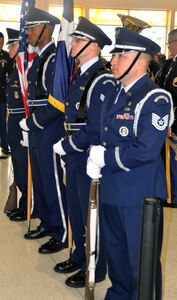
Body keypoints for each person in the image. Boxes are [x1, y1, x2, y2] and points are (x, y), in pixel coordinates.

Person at [86, 27, 174, 299]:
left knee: (140, 260)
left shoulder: (155, 98)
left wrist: (106, 158)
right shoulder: (117, 92)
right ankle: (120, 294)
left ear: (141, 60)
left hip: (139, 193)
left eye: (121, 56)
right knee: (117, 253)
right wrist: (96, 153)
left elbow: (146, 151)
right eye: (115, 55)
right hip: (113, 187)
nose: (113, 61)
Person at [53, 17, 117, 288]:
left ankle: (94, 267)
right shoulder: (81, 73)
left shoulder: (101, 78)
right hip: (75, 152)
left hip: (88, 153)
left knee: (91, 214)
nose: (72, 43)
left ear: (93, 46)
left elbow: (95, 127)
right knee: (77, 210)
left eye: (77, 40)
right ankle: (80, 254)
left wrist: (68, 146)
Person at [19, 8, 68, 254]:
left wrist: (33, 123)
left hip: (49, 127)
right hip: (38, 126)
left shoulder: (54, 57)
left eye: (33, 28)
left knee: (52, 181)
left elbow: (56, 103)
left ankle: (61, 231)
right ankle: (48, 222)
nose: (27, 33)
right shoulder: (40, 56)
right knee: (40, 178)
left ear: (47, 30)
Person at [4, 28, 37, 220]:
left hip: (21, 120)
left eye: (13, 44)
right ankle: (25, 202)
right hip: (13, 120)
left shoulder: (26, 70)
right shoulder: (15, 67)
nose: (9, 48)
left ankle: (29, 204)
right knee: (17, 162)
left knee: (24, 164)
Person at [158, 28, 177, 208]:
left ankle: (174, 197)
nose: (169, 48)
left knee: (173, 161)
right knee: (168, 159)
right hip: (170, 117)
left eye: (170, 44)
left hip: (175, 120)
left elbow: (174, 94)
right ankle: (170, 195)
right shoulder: (171, 63)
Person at [0, 32, 13, 155]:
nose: (1, 44)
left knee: (3, 122)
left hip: (1, 95)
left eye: (2, 42)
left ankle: (4, 145)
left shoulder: (6, 56)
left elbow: (11, 75)